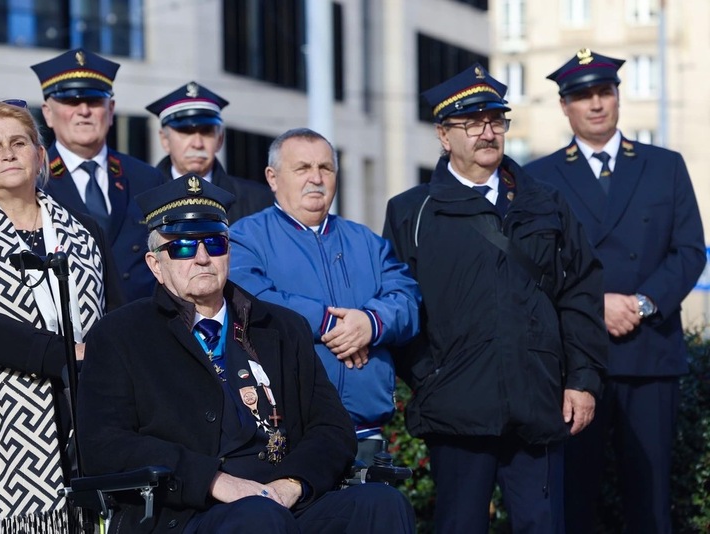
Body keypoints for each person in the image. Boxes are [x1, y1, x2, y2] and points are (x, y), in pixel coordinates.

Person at [75, 174, 416, 533]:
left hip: (282, 498)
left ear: (228, 252)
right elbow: (105, 445)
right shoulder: (121, 334)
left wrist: (292, 485)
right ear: (155, 264)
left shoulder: (282, 327)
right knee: (258, 519)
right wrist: (213, 481)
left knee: (381, 503)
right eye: (183, 247)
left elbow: (332, 427)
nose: (203, 257)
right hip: (187, 511)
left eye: (214, 243)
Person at [382, 63, 607, 533]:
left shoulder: (546, 202)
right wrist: (432, 378)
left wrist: (582, 379)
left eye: (496, 120)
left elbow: (580, 292)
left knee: (541, 525)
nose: (488, 132)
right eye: (472, 123)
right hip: (457, 411)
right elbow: (399, 301)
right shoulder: (412, 211)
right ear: (444, 136)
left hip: (539, 404)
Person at [524, 48, 706, 534]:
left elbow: (689, 251)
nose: (596, 104)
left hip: (650, 355)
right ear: (565, 107)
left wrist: (642, 304)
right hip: (575, 364)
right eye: (583, 96)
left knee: (650, 503)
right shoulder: (538, 177)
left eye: (604, 92)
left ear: (618, 97)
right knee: (572, 501)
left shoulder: (664, 165)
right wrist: (595, 304)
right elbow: (532, 266)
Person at [0, 101, 124, 533]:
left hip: (89, 412)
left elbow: (118, 316)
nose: (8, 153)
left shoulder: (86, 230)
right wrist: (65, 354)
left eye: (19, 142)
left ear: (40, 156)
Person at [228, 128, 421, 449]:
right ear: (272, 178)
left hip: (366, 430)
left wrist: (370, 324)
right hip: (285, 433)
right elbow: (251, 298)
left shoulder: (367, 241)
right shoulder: (244, 237)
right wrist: (333, 326)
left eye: (325, 168)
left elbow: (408, 300)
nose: (315, 178)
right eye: (302, 168)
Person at [31, 48, 163, 302]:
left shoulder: (146, 179)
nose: (83, 111)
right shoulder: (33, 180)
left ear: (110, 110)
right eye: (70, 102)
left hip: (137, 327)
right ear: (48, 113)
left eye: (93, 101)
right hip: (67, 331)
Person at [146, 81, 273, 224]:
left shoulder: (259, 201)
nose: (197, 144)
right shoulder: (139, 197)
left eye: (206, 132)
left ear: (220, 139)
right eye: (186, 132)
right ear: (164, 139)